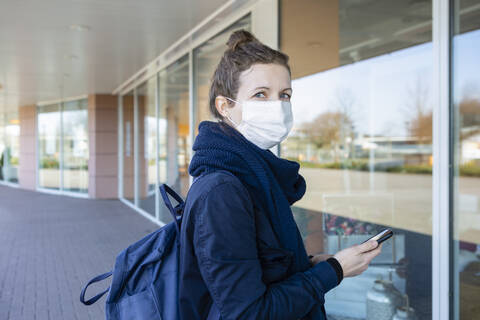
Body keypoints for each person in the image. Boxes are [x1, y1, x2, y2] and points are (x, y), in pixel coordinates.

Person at [178, 30, 382, 320]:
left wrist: (313, 265)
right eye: (260, 94)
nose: (277, 105)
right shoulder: (222, 191)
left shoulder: (255, 175)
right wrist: (334, 272)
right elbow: (248, 313)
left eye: (284, 95)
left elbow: (258, 264)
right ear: (225, 107)